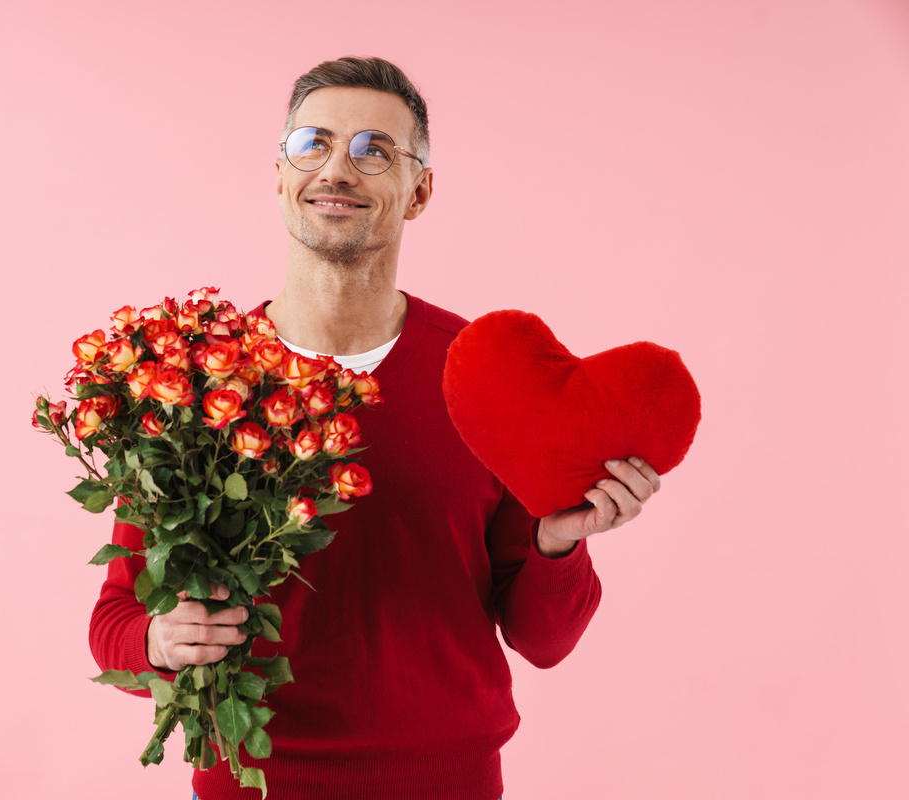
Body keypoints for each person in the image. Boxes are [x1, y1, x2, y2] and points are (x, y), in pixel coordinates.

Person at [90, 56, 663, 800]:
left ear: (419, 191)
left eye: (374, 152)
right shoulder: (194, 379)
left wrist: (560, 542)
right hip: (250, 784)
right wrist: (162, 642)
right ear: (279, 174)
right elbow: (116, 622)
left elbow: (543, 641)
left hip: (446, 782)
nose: (338, 170)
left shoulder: (482, 379)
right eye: (313, 144)